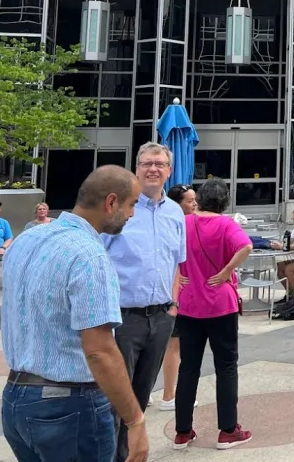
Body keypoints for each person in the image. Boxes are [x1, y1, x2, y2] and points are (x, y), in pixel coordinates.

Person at [0, 166, 148, 462]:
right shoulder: (89, 255)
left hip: (16, 398)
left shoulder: (26, 240)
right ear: (111, 203)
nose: (132, 214)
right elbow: (100, 351)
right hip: (68, 406)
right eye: (131, 204)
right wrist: (135, 421)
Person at [102, 143, 187, 462]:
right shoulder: (118, 206)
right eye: (147, 163)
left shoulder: (175, 212)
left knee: (139, 396)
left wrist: (173, 307)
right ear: (136, 168)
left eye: (160, 163)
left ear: (169, 170)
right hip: (122, 319)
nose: (153, 168)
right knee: (113, 398)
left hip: (161, 318)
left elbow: (177, 264)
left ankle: (126, 454)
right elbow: (96, 258)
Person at [172, 177, 254, 451]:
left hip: (189, 303)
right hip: (220, 304)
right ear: (224, 201)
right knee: (226, 366)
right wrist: (227, 271)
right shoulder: (226, 224)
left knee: (188, 367)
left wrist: (177, 276)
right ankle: (228, 429)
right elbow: (246, 246)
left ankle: (182, 431)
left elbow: (168, 252)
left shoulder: (184, 223)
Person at [158, 185, 197, 412]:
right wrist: (176, 276)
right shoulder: (174, 223)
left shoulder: (182, 223)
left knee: (163, 345)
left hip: (175, 291)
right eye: (190, 201)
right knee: (173, 344)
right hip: (171, 295)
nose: (194, 205)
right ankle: (169, 395)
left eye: (195, 200)